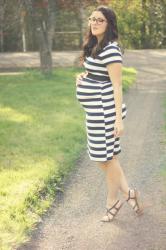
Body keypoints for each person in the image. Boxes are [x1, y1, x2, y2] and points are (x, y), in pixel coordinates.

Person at [75, 5, 144, 222]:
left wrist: (117, 120)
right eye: (92, 19)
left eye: (100, 20)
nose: (94, 23)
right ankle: (129, 193)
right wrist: (83, 77)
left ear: (109, 24)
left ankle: (112, 201)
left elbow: (116, 85)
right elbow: (98, 73)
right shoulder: (95, 44)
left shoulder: (112, 49)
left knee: (105, 158)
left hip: (105, 112)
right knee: (105, 158)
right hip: (95, 111)